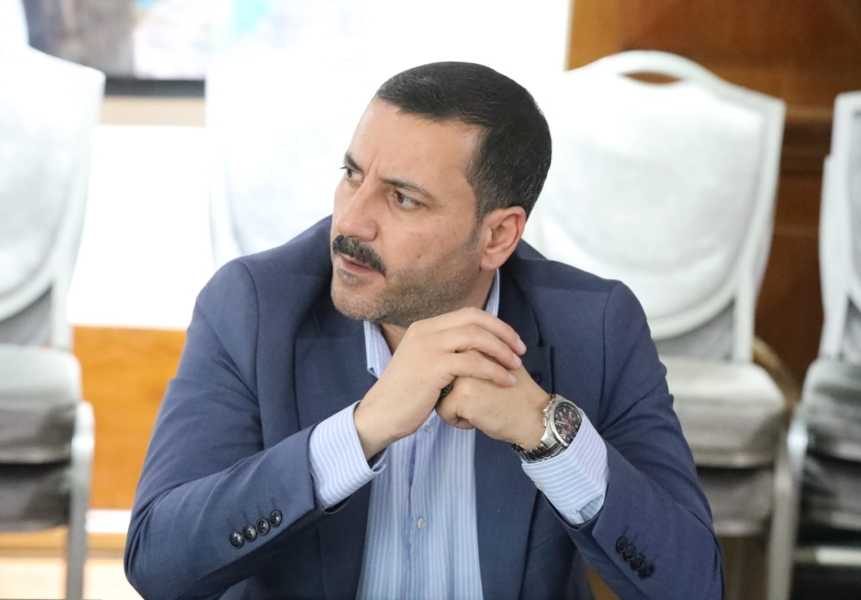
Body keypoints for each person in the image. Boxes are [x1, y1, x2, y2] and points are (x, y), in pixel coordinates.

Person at [125, 61, 724, 600]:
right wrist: (360, 431)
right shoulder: (254, 306)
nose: (351, 221)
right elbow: (158, 562)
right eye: (352, 174)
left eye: (403, 199)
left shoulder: (595, 327)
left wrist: (546, 435)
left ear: (497, 236)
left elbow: (695, 583)